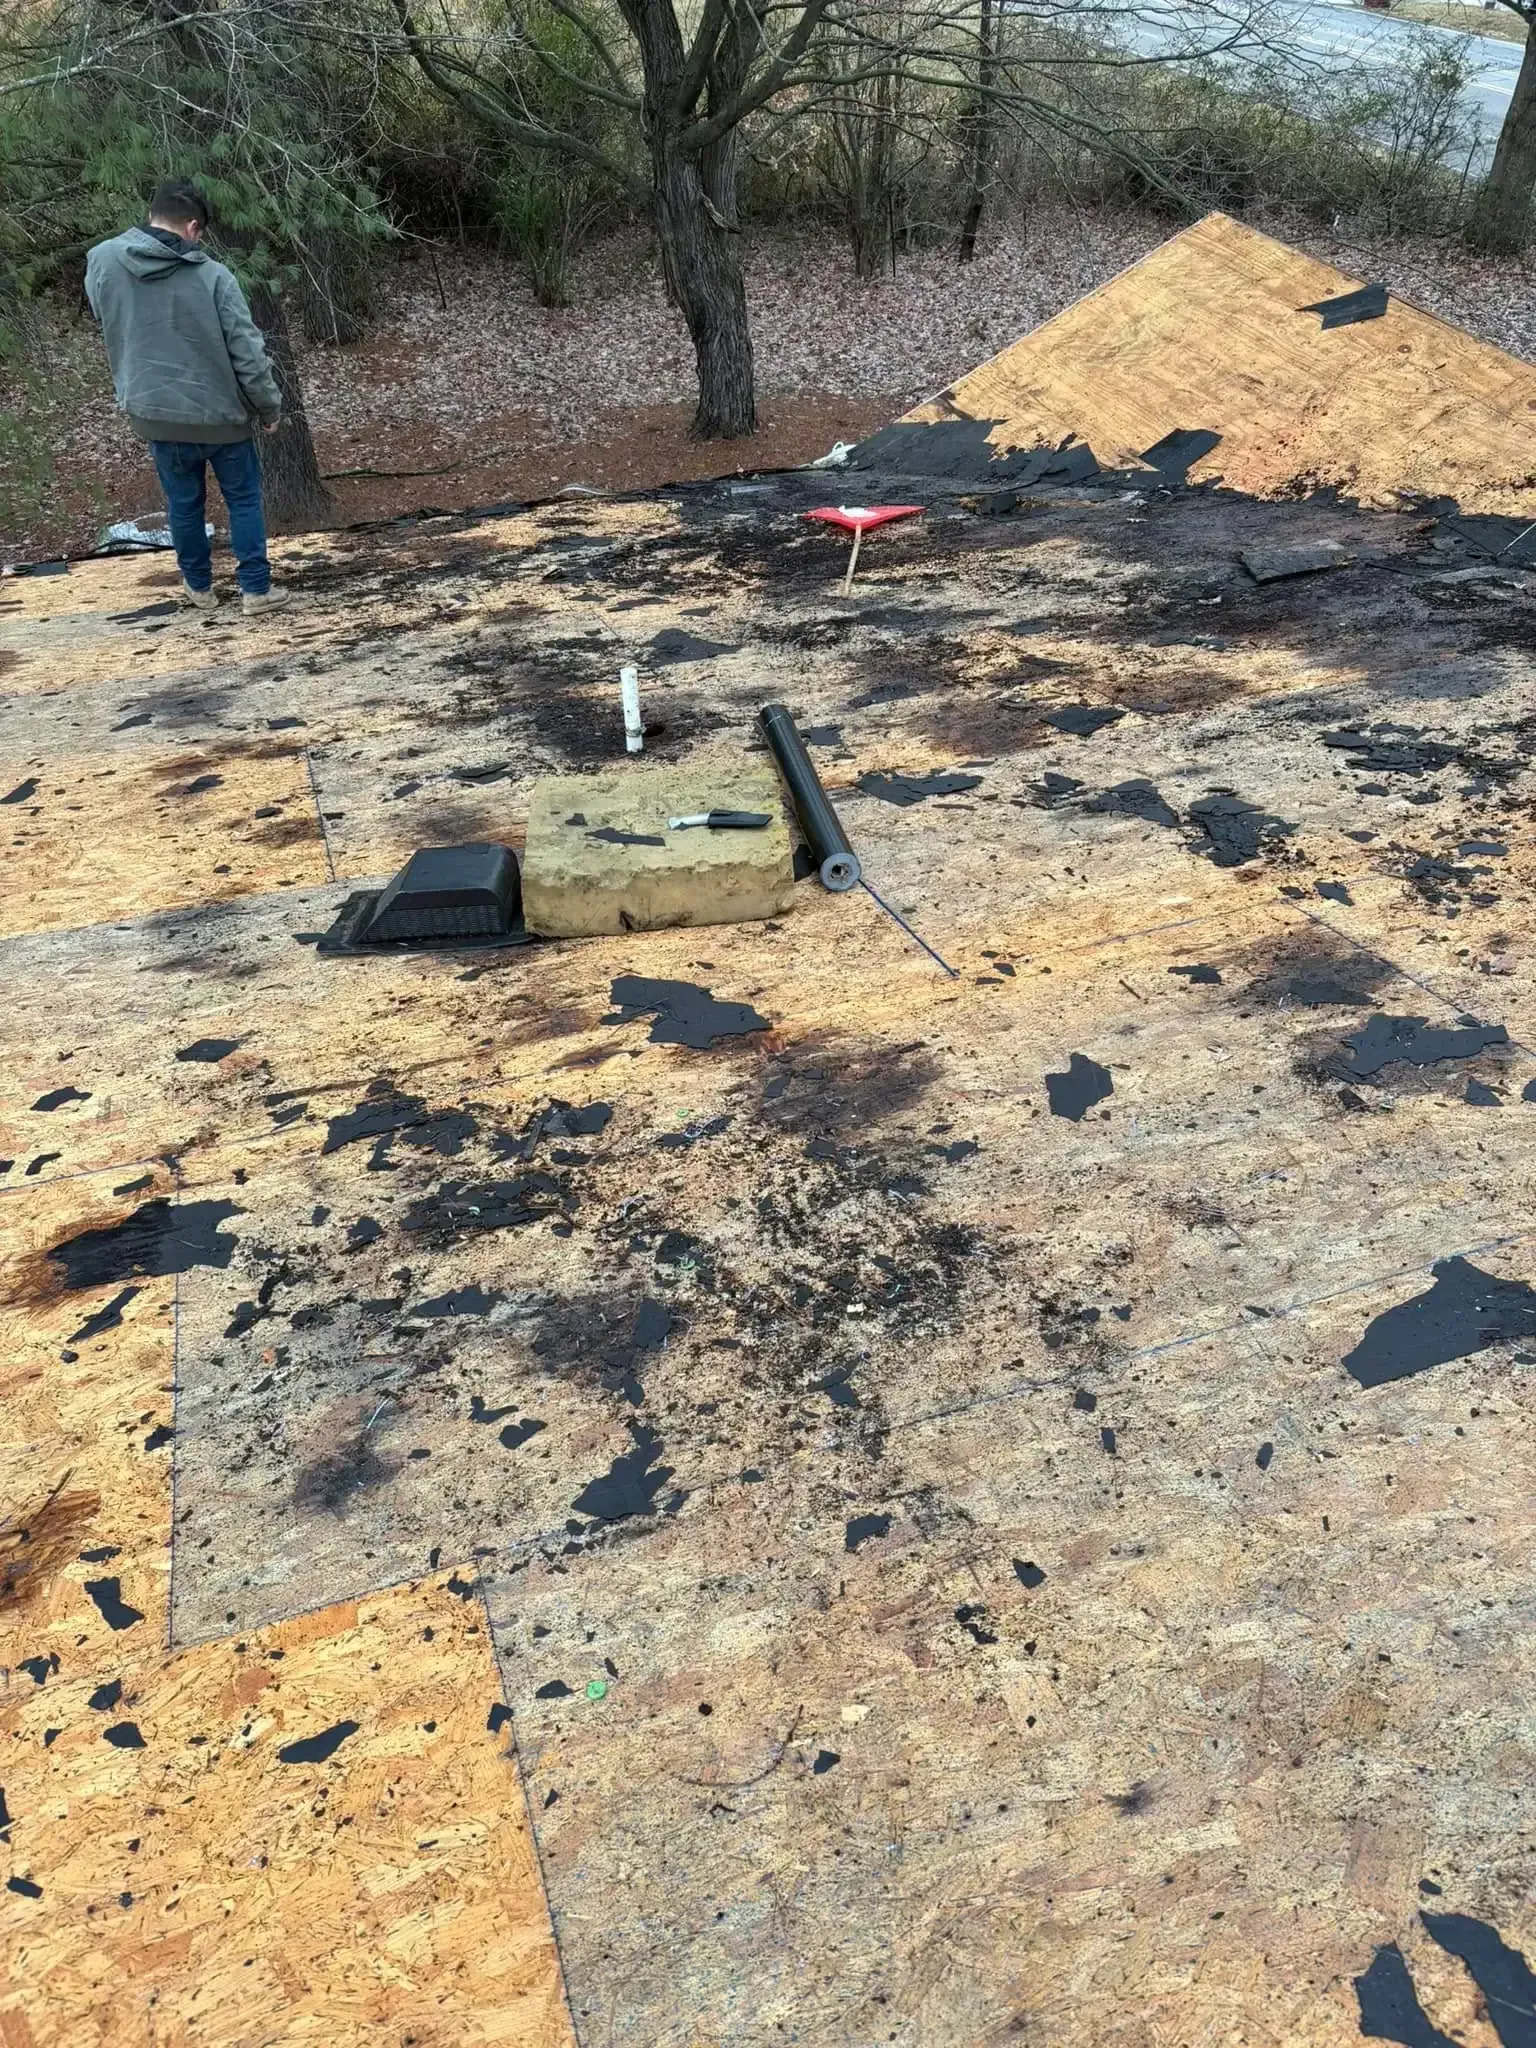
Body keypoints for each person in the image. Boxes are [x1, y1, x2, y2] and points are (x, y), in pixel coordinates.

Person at [85, 178, 289, 614]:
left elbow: (106, 315)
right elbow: (248, 351)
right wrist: (268, 406)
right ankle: (256, 590)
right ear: (193, 226)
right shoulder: (213, 276)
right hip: (222, 418)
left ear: (152, 216)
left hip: (156, 413)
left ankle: (198, 588)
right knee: (244, 500)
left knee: (183, 504)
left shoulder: (102, 261)